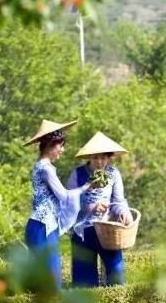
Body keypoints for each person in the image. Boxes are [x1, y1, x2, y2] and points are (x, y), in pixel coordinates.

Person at [23, 119, 90, 290]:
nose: (62, 149)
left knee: (47, 278)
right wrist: (86, 187)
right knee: (51, 279)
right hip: (41, 227)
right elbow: (64, 196)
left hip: (44, 225)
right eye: (61, 145)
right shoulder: (46, 169)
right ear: (51, 145)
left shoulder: (41, 166)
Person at [66, 131, 133, 287]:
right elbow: (69, 202)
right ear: (89, 157)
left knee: (116, 276)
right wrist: (91, 207)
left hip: (107, 230)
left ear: (109, 158)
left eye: (103, 157)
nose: (99, 162)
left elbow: (118, 201)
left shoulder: (113, 174)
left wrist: (124, 212)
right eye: (96, 157)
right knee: (84, 283)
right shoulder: (77, 174)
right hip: (82, 231)